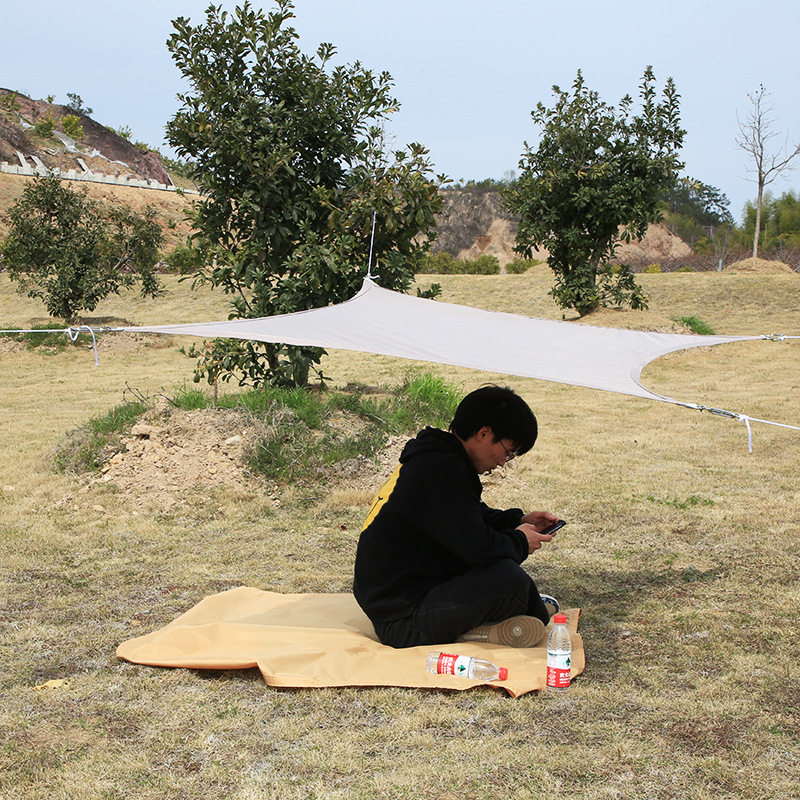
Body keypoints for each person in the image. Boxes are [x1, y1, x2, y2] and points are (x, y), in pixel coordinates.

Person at [353, 385, 562, 649]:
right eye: (508, 452)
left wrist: (517, 522)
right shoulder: (441, 470)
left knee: (505, 574)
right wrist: (519, 541)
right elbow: (477, 547)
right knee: (509, 581)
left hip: (406, 596)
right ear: (484, 433)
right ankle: (492, 626)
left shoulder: (437, 459)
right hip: (404, 620)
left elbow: (469, 516)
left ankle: (515, 612)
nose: (503, 462)